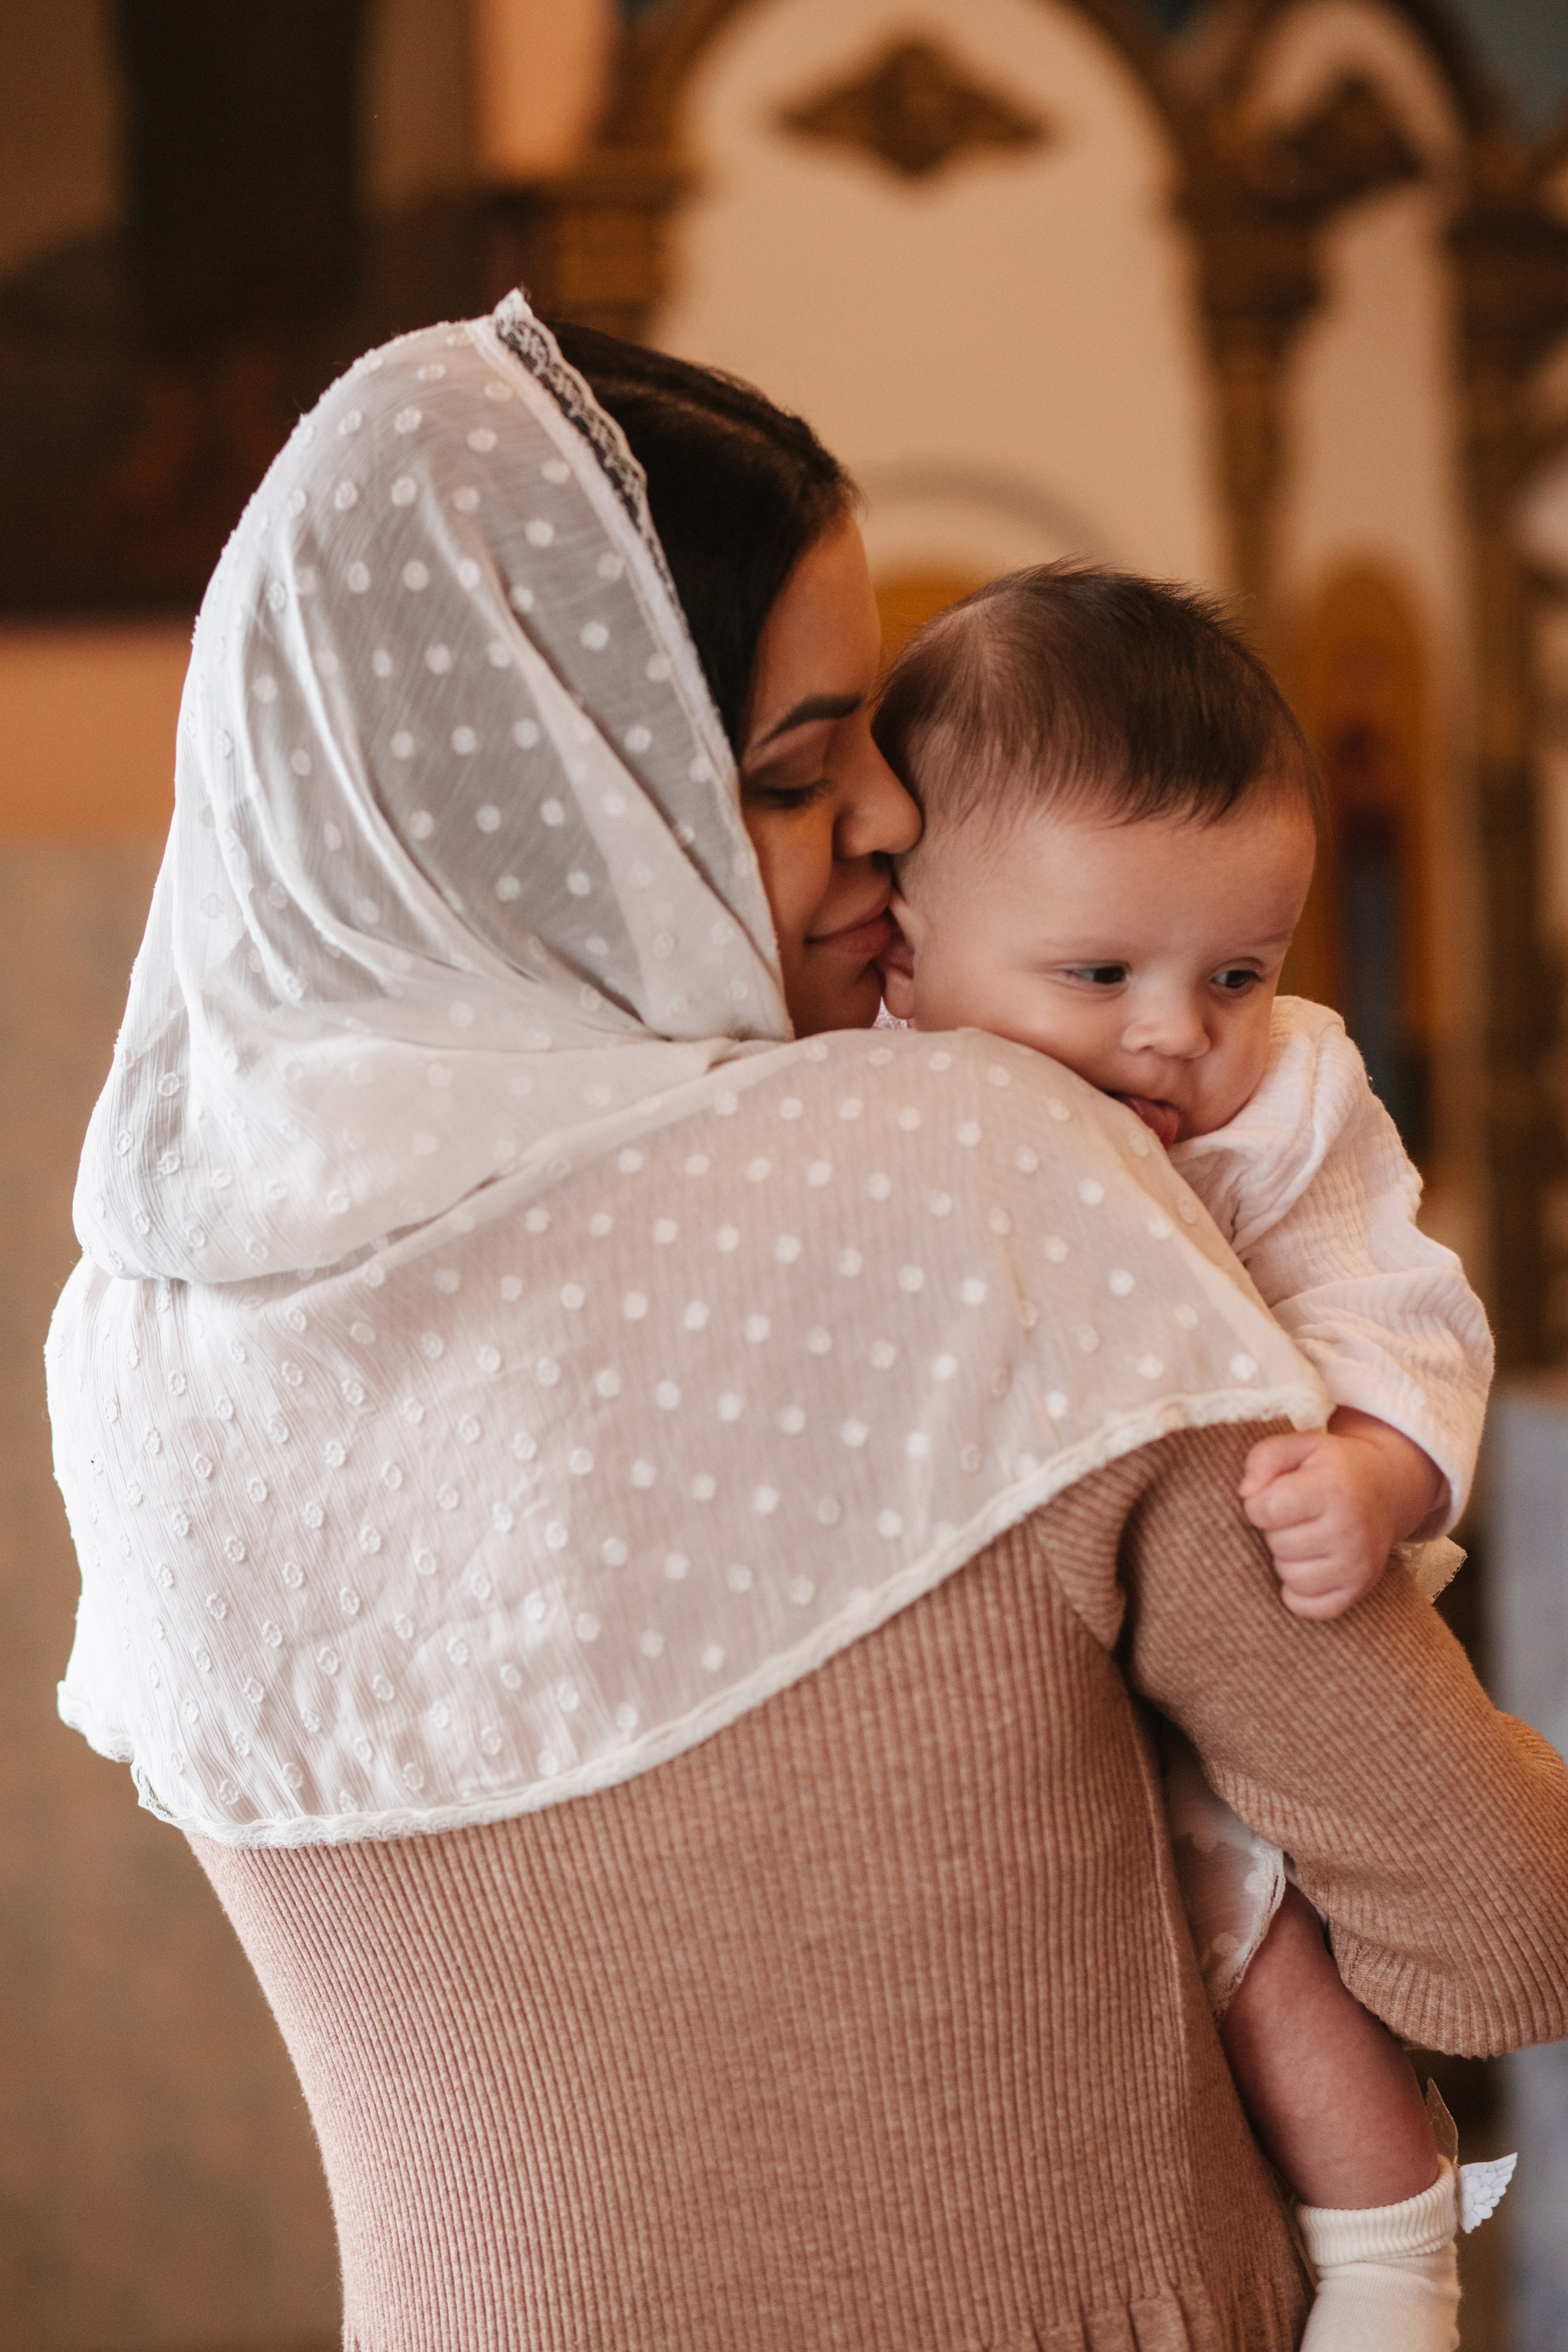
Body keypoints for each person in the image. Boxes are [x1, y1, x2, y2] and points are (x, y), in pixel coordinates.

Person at [47, 302, 1568, 2352]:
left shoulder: (140, 1352)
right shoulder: (964, 1168)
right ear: (564, 814)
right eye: (792, 771)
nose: (889, 822)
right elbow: (1498, 1935)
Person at [874, 564, 1497, 2348]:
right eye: (1102, 973)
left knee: (1286, 1980)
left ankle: (1397, 2269)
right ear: (904, 943)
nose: (1178, 1030)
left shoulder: (1287, 1096)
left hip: (1252, 1608)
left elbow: (1402, 1305)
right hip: (998, 1662)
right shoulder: (875, 1089)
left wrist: (1375, 1472)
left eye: (1239, 970)